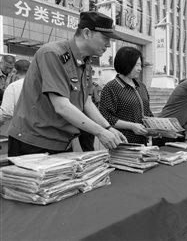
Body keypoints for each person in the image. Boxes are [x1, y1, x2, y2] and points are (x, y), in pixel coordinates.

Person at [7, 11, 127, 156]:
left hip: (62, 142)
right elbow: (62, 106)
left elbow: (87, 103)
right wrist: (100, 132)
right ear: (87, 33)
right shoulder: (52, 53)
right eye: (105, 38)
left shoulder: (85, 61)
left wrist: (108, 128)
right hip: (33, 143)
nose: (108, 44)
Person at [99, 47, 153, 145]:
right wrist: (131, 126)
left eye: (140, 65)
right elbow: (105, 117)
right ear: (126, 64)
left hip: (143, 142)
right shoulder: (111, 87)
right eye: (137, 65)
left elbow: (148, 111)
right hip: (123, 142)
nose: (140, 69)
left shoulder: (141, 86)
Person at [0, 60, 30, 126]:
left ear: (15, 71)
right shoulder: (41, 85)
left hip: (19, 128)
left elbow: (6, 112)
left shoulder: (13, 87)